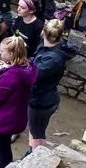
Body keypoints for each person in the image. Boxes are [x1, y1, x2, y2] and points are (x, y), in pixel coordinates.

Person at [0, 36, 38, 168]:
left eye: (2, 51)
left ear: (12, 54)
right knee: (5, 149)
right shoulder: (29, 67)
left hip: (1, 120)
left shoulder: (11, 76)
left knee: (1, 152)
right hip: (15, 117)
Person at [27, 20, 73, 155]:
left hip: (41, 101)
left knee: (37, 132)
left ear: (44, 33)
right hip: (44, 97)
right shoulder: (52, 48)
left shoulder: (52, 58)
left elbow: (33, 76)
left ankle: (36, 155)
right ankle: (32, 149)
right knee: (35, 128)